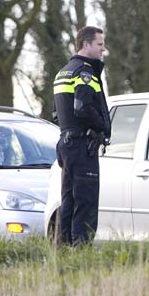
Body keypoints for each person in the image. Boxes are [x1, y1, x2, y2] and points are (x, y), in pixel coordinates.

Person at [53, 26, 111, 246]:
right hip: (81, 144)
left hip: (67, 144)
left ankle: (64, 248)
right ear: (85, 44)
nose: (103, 49)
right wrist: (102, 126)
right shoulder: (85, 73)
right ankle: (81, 250)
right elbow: (83, 107)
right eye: (99, 44)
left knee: (69, 199)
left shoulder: (62, 72)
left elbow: (57, 113)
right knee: (85, 201)